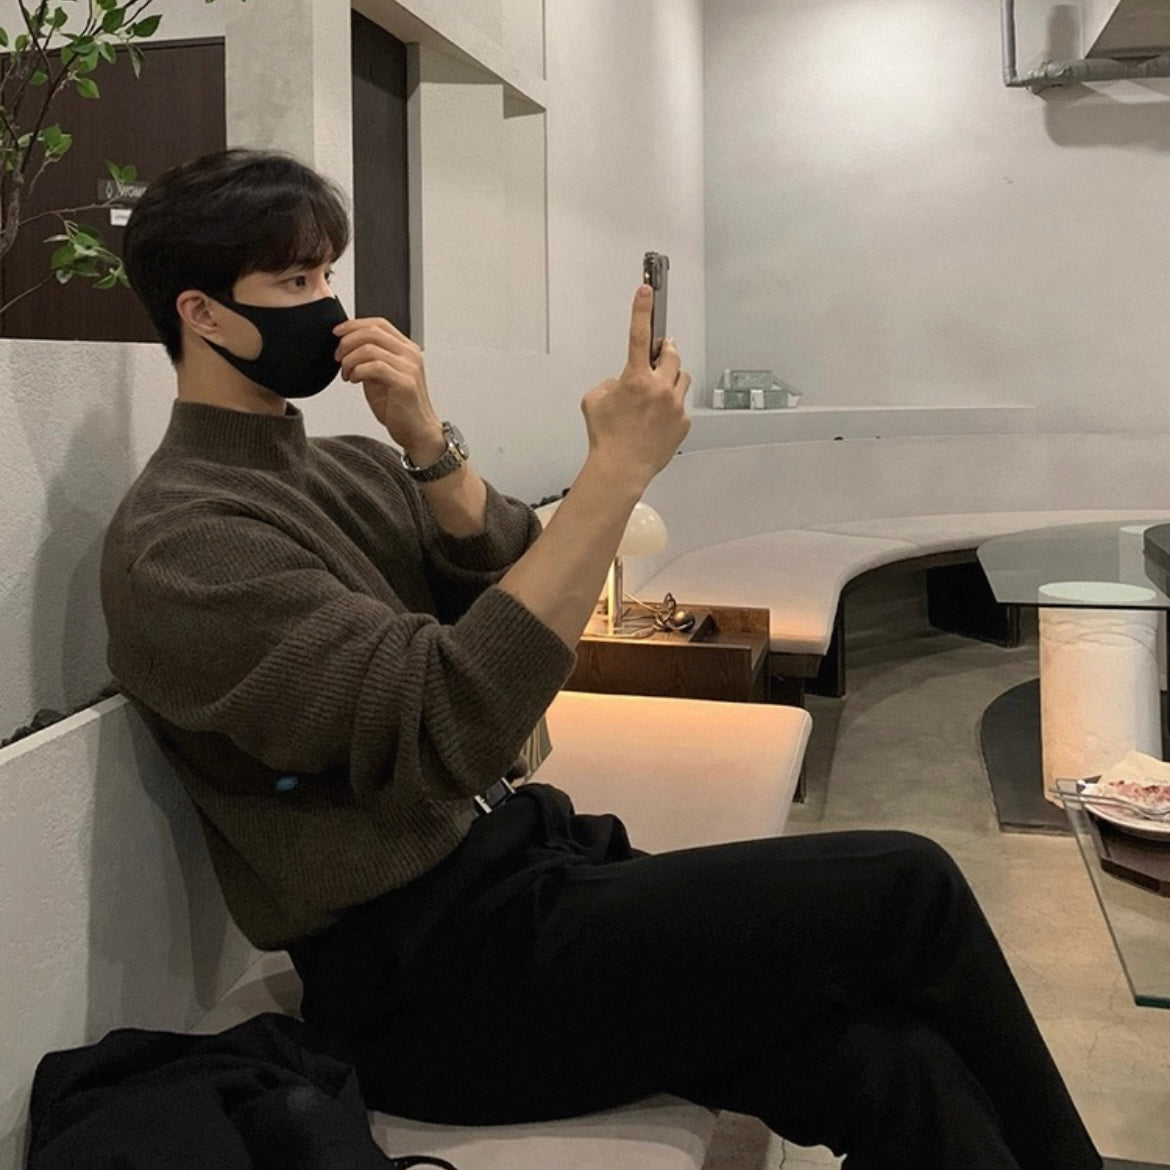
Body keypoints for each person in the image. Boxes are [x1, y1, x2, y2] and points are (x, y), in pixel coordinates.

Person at [100, 148, 1102, 1170]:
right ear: (203, 314)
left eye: (327, 274)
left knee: (893, 1065)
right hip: (429, 981)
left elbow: (514, 572)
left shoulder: (347, 468)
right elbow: (451, 717)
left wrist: (426, 443)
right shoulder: (187, 541)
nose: (331, 308)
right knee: (907, 887)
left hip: (528, 876)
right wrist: (615, 471)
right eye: (294, 282)